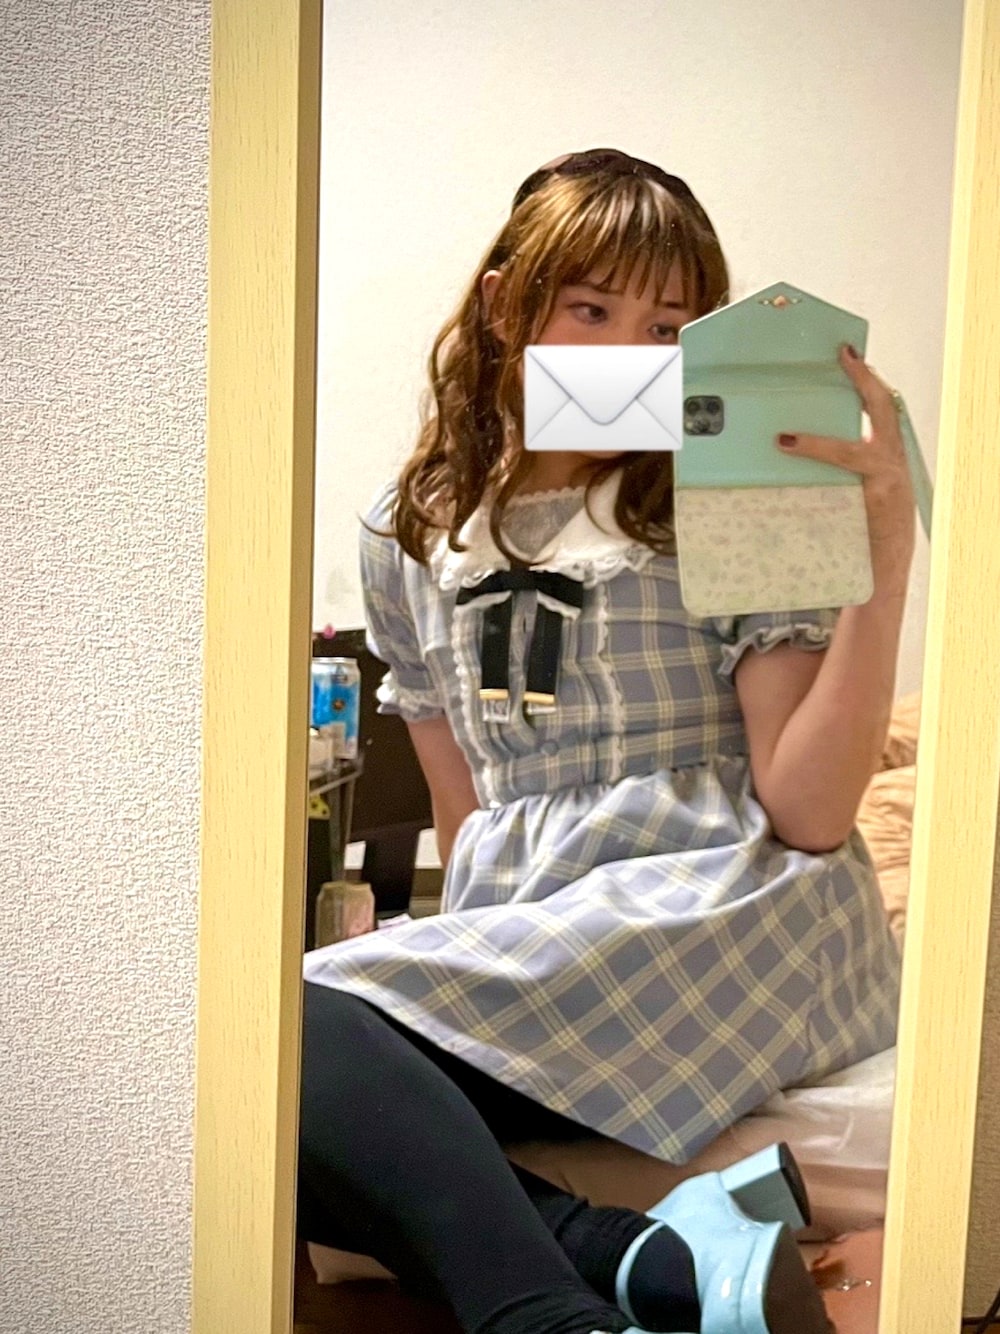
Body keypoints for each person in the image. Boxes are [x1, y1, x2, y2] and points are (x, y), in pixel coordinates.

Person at [299, 149, 912, 1334]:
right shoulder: (410, 526)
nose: (629, 354)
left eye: (667, 328)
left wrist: (879, 565)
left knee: (297, 1032)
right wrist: (456, 961)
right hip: (549, 914)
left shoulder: (730, 487)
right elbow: (469, 819)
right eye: (589, 310)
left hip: (729, 892)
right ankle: (638, 1260)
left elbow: (809, 811)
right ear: (504, 305)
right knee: (266, 1056)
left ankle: (548, 1313)